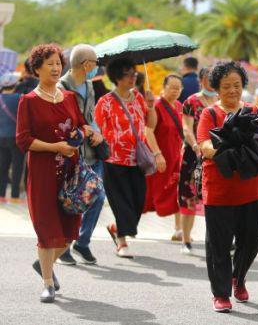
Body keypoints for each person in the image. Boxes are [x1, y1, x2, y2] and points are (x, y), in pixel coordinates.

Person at [16, 43, 101, 302]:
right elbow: (23, 140)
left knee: (68, 232)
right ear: (37, 67)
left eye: (58, 63)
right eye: (50, 63)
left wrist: (89, 131)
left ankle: (43, 264)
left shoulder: (69, 98)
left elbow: (81, 124)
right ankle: (48, 282)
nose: (55, 68)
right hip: (42, 175)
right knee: (46, 229)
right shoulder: (27, 101)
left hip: (71, 173)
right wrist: (55, 147)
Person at [197, 61, 258, 313]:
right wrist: (224, 153)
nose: (232, 90)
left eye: (236, 85)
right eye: (226, 86)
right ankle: (222, 292)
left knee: (253, 238)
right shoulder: (209, 114)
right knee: (219, 244)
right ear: (216, 88)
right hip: (219, 190)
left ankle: (239, 277)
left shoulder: (252, 110)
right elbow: (203, 144)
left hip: (251, 189)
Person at [94, 57, 157, 258]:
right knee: (121, 204)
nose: (132, 78)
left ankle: (115, 227)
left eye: (134, 74)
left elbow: (151, 124)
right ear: (117, 77)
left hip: (137, 160)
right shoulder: (105, 102)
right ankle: (122, 243)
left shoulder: (139, 97)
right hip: (114, 161)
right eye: (128, 75)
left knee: (138, 202)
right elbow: (97, 129)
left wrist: (151, 106)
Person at [56, 44, 106, 266]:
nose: (97, 67)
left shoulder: (89, 85)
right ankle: (64, 246)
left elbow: (91, 115)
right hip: (71, 154)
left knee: (98, 196)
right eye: (95, 63)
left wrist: (97, 132)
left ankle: (82, 242)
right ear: (86, 64)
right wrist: (82, 130)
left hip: (91, 152)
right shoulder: (61, 87)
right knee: (72, 200)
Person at [179, 66, 218, 253]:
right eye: (209, 78)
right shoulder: (191, 101)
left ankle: (219, 241)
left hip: (217, 156)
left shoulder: (221, 101)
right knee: (190, 197)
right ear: (201, 80)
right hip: (193, 155)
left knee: (216, 199)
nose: (212, 81)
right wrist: (195, 146)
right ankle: (186, 240)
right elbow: (186, 127)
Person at [143, 74, 183, 237]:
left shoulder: (179, 106)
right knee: (147, 197)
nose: (175, 91)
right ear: (163, 87)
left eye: (178, 88)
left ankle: (179, 229)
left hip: (175, 158)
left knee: (178, 191)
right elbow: (148, 131)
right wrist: (157, 154)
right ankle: (121, 227)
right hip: (158, 159)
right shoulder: (157, 106)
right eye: (171, 87)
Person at [0, 72, 24, 203]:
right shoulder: (20, 98)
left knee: (2, 166)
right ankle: (14, 196)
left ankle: (1, 195)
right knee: (17, 166)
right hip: (16, 137)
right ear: (15, 85)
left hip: (1, 137)